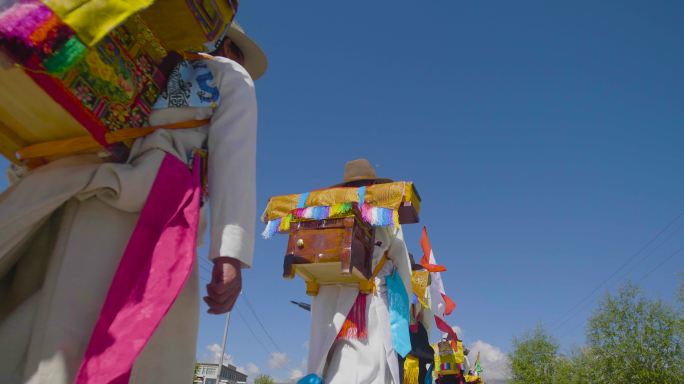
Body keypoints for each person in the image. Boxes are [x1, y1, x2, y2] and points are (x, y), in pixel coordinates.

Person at [0, 21, 266, 384]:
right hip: (144, 210)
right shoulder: (229, 74)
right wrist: (229, 254)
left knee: (34, 323)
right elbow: (234, 161)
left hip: (64, 185)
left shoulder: (138, 50)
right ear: (231, 48)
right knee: (107, 338)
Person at [303, 159, 414, 384]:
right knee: (370, 360)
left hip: (340, 299)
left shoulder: (329, 217)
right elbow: (403, 267)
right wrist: (405, 309)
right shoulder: (387, 217)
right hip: (366, 298)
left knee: (340, 357)